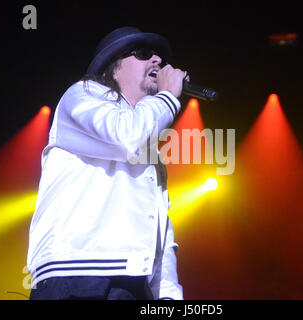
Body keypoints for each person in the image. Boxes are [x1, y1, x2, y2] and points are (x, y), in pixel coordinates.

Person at [27, 27, 186, 300]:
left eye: (159, 56)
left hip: (133, 281)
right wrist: (168, 96)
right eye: (144, 54)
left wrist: (168, 294)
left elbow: (159, 227)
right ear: (113, 67)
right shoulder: (84, 95)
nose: (158, 61)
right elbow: (127, 137)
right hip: (77, 272)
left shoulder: (149, 146)